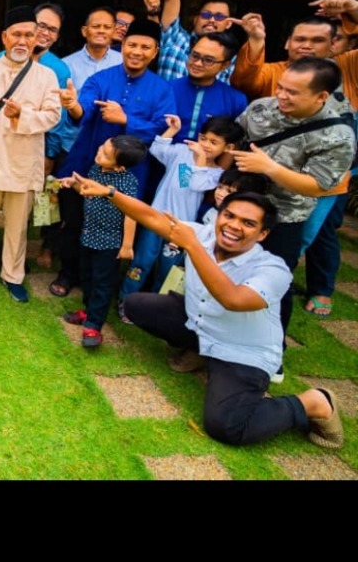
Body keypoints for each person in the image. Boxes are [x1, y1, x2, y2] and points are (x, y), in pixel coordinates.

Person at [93, 182, 344, 452]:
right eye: (229, 215)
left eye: (248, 223)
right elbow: (153, 217)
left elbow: (233, 299)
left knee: (226, 426)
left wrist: (192, 246)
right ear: (219, 215)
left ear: (262, 234)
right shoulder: (203, 235)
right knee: (136, 305)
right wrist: (110, 193)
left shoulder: (273, 269)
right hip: (202, 324)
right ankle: (200, 350)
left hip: (242, 351)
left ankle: (313, 402)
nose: (234, 225)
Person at [230, 56, 357, 337]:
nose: (281, 96)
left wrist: (270, 168)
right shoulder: (261, 107)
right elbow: (235, 140)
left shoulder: (338, 135)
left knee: (273, 284)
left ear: (321, 96)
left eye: (292, 92)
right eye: (281, 87)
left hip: (283, 218)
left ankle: (270, 346)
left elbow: (318, 186)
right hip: (239, 207)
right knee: (226, 272)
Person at [50, 17, 175, 298]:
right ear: (123, 45)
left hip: (131, 172)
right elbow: (83, 111)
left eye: (145, 47)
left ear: (155, 52)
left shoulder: (161, 89)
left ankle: (102, 283)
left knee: (115, 227)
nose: (137, 52)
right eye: (132, 45)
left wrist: (127, 120)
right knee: (75, 220)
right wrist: (72, 105)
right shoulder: (102, 79)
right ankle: (68, 273)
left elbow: (163, 130)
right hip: (88, 161)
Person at [0, 7, 61, 303]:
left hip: (24, 161)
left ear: (36, 39)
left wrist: (22, 115)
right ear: (4, 37)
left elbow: (53, 116)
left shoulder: (46, 76)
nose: (22, 40)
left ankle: (13, 275)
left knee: (18, 225)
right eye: (16, 34)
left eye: (29, 35)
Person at [120, 114, 243, 300]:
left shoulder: (216, 174)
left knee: (167, 269)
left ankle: (156, 304)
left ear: (228, 148)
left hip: (181, 227)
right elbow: (156, 149)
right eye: (203, 138)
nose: (206, 145)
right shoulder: (182, 152)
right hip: (155, 218)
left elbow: (196, 183)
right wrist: (173, 130)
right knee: (142, 262)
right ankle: (126, 299)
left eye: (214, 142)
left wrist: (200, 159)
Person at [58, 135, 146, 347]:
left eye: (106, 154)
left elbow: (131, 214)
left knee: (102, 283)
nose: (100, 152)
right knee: (87, 277)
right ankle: (88, 311)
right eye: (102, 147)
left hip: (109, 244)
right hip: (88, 236)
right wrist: (73, 184)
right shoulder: (96, 169)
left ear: (119, 166)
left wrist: (127, 245)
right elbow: (86, 191)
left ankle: (94, 325)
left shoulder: (127, 182)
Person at [30, 3, 74, 270]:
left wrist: (50, 153)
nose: (45, 33)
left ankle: (47, 245)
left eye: (52, 29)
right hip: (9, 142)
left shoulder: (59, 68)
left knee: (47, 196)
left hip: (42, 142)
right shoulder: (4, 55)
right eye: (41, 25)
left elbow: (59, 117)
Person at [167, 34, 247, 136]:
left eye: (208, 60)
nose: (197, 63)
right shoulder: (164, 90)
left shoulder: (236, 100)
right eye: (195, 56)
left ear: (225, 65)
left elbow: (237, 139)